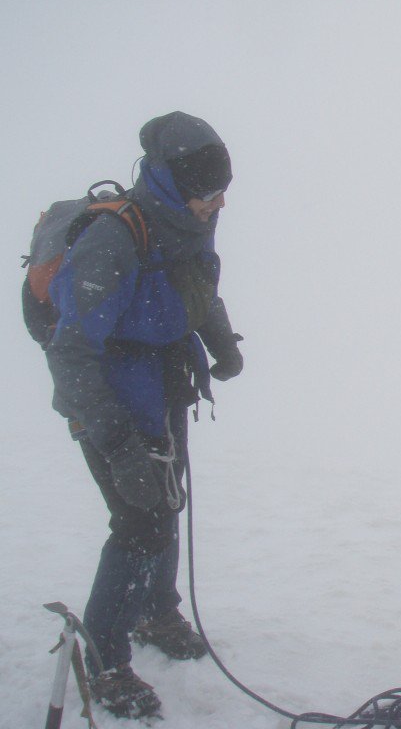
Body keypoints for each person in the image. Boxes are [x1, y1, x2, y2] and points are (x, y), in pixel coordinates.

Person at [41, 111, 243, 719]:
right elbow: (71, 353)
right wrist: (116, 443)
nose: (216, 205)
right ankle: (105, 659)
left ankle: (158, 611)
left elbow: (195, 283)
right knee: (141, 522)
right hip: (108, 398)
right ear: (172, 183)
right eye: (206, 193)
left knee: (166, 497)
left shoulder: (186, 221)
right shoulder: (115, 238)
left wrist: (221, 340)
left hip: (163, 382)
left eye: (221, 192)